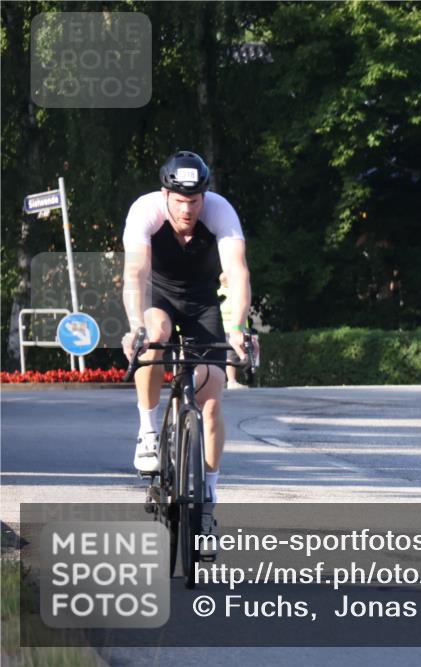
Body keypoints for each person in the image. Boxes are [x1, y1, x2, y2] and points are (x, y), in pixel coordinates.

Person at [121, 151, 252, 545]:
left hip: (201, 300)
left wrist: (239, 326)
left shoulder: (220, 212)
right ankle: (148, 432)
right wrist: (134, 327)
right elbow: (136, 272)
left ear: (204, 196)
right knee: (154, 335)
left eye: (194, 201)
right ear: (166, 194)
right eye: (179, 201)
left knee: (211, 399)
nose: (187, 209)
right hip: (158, 296)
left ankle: (208, 496)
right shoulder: (145, 211)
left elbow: (238, 271)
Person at [218, 272, 249, 389]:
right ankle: (232, 381)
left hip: (224, 329)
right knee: (231, 356)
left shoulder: (218, 293)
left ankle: (227, 380)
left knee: (227, 355)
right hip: (233, 330)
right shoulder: (233, 294)